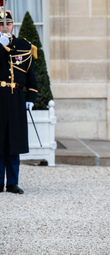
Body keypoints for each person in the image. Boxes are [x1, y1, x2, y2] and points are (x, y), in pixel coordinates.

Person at [0, 10, 38, 194]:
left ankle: (12, 182)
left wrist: (30, 99)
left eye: (7, 24)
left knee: (13, 142)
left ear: (13, 25)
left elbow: (32, 78)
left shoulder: (24, 46)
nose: (4, 27)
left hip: (16, 99)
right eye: (0, 24)